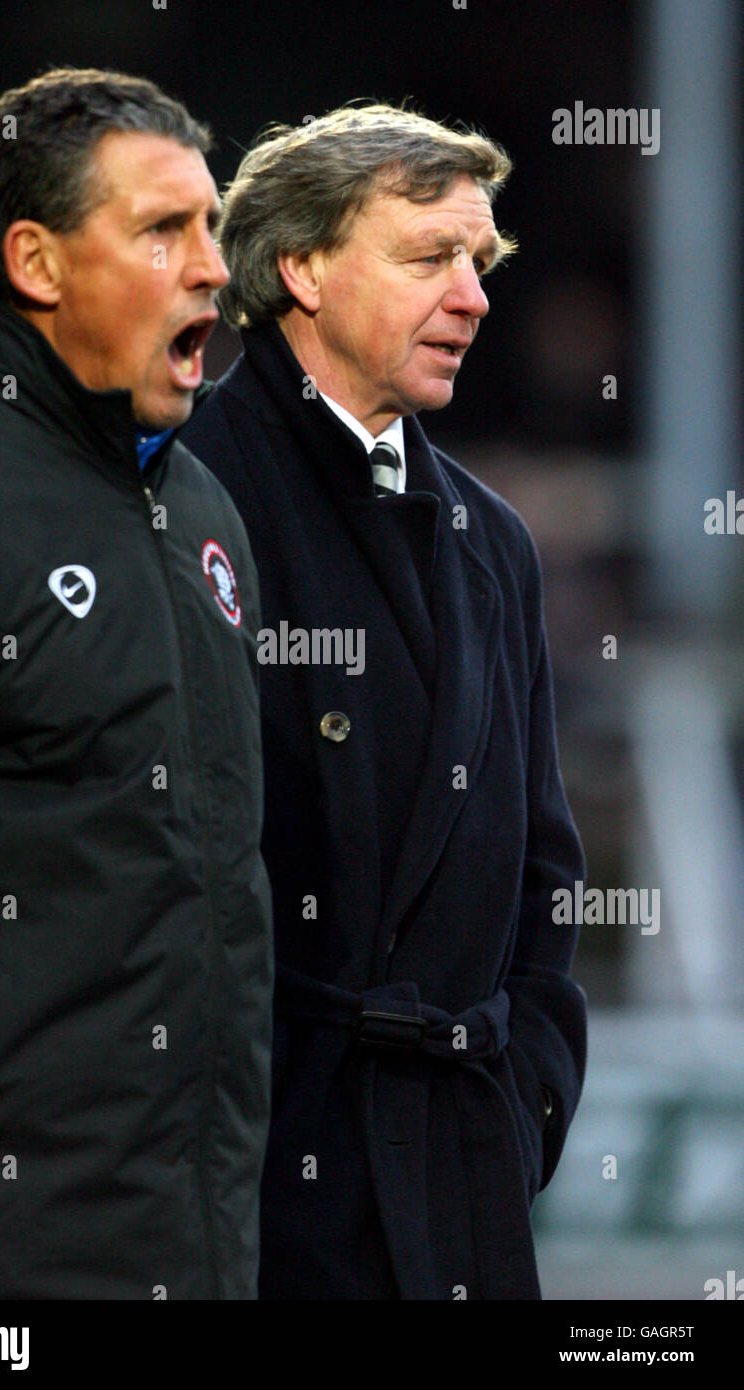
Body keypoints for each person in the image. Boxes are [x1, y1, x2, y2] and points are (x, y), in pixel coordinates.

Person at [180, 103, 588, 1300]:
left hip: (460, 1182)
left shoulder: (493, 542)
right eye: (429, 259)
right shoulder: (189, 504)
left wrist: (523, 1108)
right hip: (265, 1202)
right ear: (298, 269)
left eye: (480, 263)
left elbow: (542, 878)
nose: (471, 297)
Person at [0, 67, 273, 1299]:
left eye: (211, 226)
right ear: (38, 264)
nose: (212, 266)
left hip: (195, 1250)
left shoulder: (204, 509)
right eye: (163, 229)